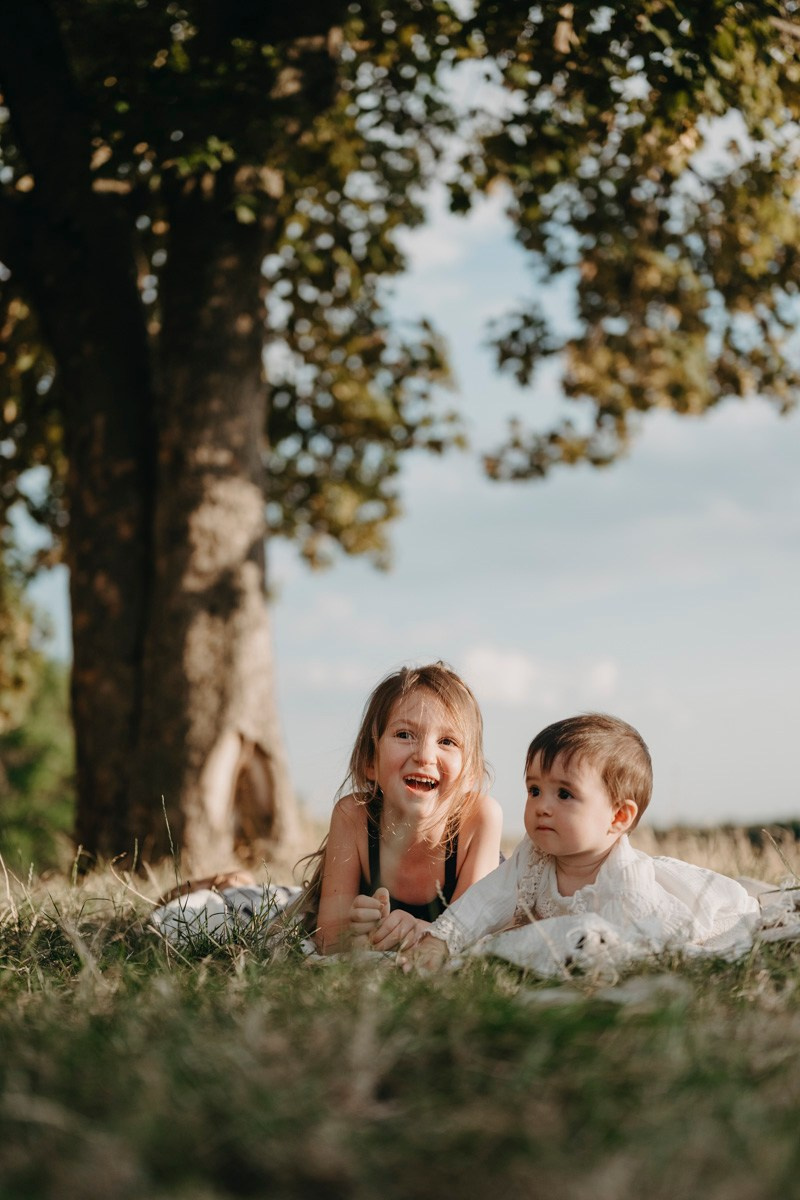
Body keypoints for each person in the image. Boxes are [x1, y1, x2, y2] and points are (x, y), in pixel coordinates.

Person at [409, 713, 761, 973]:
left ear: (618, 817)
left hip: (671, 912)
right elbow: (487, 900)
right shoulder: (533, 857)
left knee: (727, 909)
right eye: (534, 790)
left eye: (564, 794)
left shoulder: (626, 883)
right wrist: (442, 939)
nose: (542, 806)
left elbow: (631, 948)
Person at [300, 661, 503, 954]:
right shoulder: (353, 816)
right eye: (404, 735)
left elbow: (468, 939)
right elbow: (327, 941)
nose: (425, 756)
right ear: (370, 761)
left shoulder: (479, 818)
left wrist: (423, 932)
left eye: (447, 741)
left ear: (470, 773)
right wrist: (357, 936)